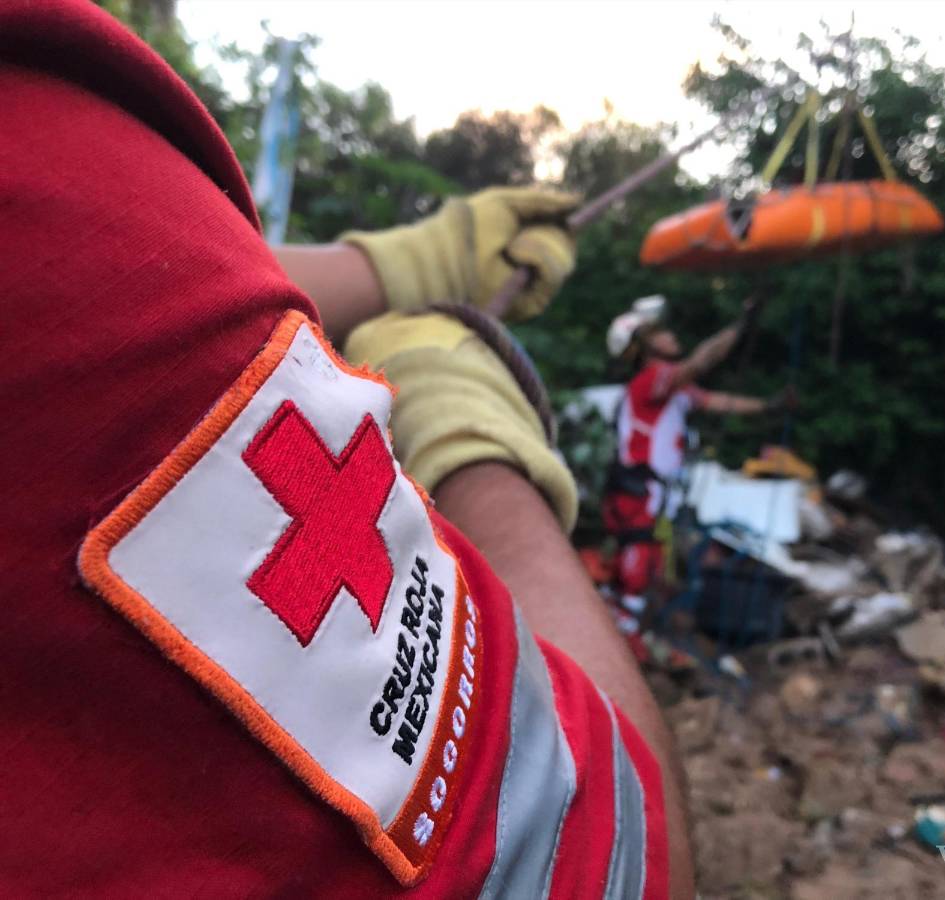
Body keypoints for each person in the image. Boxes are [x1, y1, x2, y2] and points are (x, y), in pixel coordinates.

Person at [0, 1, 690, 897]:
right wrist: (470, 431)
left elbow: (175, 274)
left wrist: (403, 266)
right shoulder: (54, 179)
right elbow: (612, 852)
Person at [602, 295, 788, 640]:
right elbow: (703, 361)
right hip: (638, 490)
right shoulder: (651, 381)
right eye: (659, 332)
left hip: (653, 493)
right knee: (638, 565)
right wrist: (740, 327)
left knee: (653, 564)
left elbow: (718, 401)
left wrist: (768, 406)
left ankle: (631, 638)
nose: (670, 335)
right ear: (644, 346)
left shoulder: (675, 390)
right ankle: (623, 641)